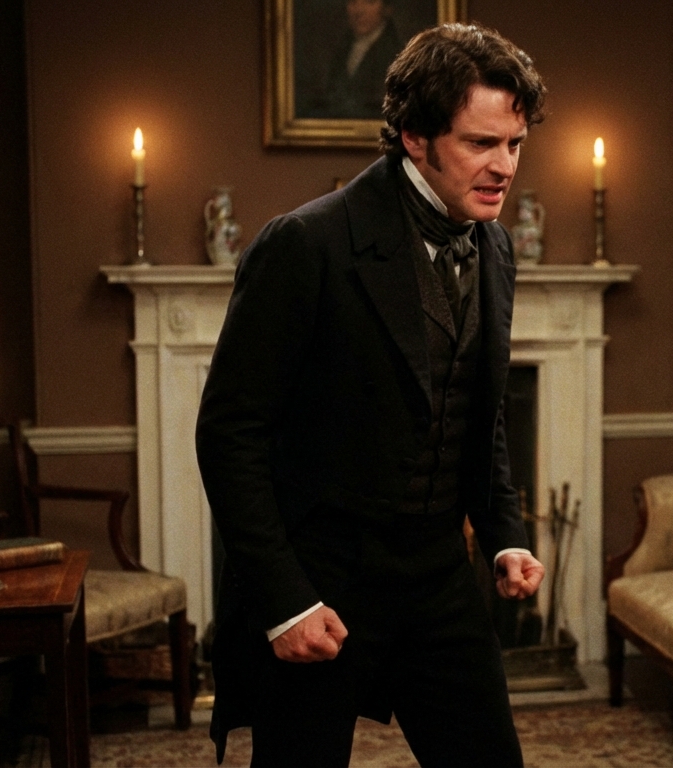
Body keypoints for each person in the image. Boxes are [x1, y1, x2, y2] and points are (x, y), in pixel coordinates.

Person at [196, 23, 547, 768]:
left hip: (439, 575)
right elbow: (230, 434)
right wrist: (284, 599)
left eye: (515, 144)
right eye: (481, 143)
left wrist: (505, 531)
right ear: (414, 136)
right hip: (322, 576)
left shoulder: (495, 243)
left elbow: (475, 404)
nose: (504, 166)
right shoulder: (305, 243)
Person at [300, 0, 403, 119]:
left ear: (387, 9)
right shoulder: (342, 49)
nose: (359, 11)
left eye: (369, 2)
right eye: (353, 2)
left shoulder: (395, 53)